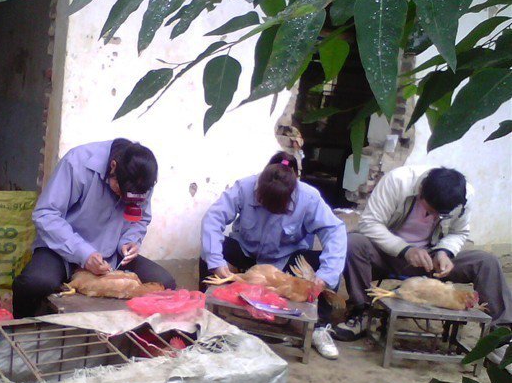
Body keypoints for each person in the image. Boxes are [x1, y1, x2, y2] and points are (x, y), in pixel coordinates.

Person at [336, 165, 512, 341]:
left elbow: (459, 232)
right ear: (420, 191)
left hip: (432, 261)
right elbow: (369, 223)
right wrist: (405, 250)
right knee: (354, 243)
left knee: (486, 261)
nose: (434, 217)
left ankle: (501, 335)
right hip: (387, 253)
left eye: (440, 215)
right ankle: (361, 312)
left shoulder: (464, 197)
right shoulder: (398, 181)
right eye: (430, 211)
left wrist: (444, 252)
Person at [200, 151, 347, 359]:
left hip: (286, 259)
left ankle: (320, 328)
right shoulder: (244, 187)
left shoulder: (308, 197)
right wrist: (216, 261)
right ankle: (204, 317)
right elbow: (213, 219)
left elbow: (335, 231)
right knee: (211, 251)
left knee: (332, 266)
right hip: (247, 252)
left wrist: (325, 276)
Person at [12, 138, 176, 317]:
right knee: (34, 284)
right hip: (61, 252)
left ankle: (129, 338)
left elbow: (140, 218)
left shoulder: (141, 180)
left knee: (164, 283)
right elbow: (45, 214)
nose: (124, 199)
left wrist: (130, 240)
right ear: (113, 167)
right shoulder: (78, 162)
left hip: (112, 256)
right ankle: (20, 336)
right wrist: (84, 254)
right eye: (120, 192)